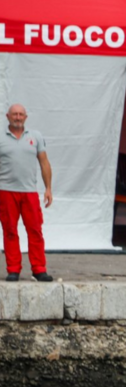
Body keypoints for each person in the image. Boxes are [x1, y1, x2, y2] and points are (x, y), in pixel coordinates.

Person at [0, 104, 53, 282]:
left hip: (29, 192)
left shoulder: (35, 136)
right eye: (14, 114)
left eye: (21, 114)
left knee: (35, 230)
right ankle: (13, 269)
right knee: (9, 231)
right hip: (6, 191)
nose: (18, 117)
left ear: (26, 117)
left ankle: (39, 269)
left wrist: (48, 188)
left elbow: (44, 162)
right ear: (7, 116)